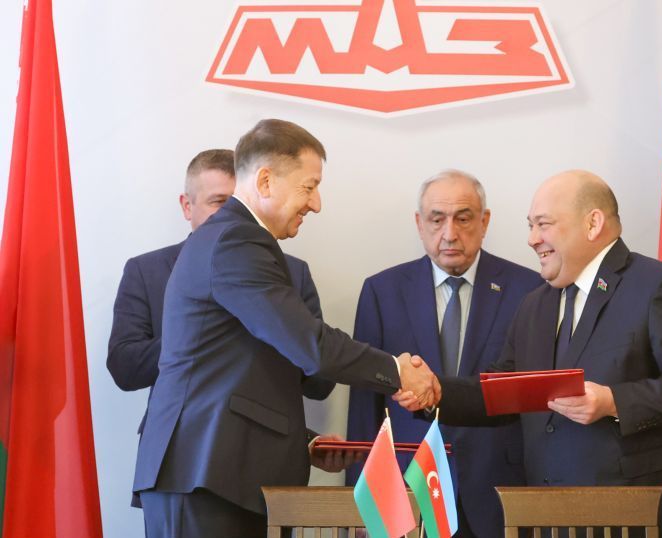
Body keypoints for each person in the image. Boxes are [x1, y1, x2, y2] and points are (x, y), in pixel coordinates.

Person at [132, 120, 439, 538]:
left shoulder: (237, 240)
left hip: (220, 475)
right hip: (204, 476)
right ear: (265, 181)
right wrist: (398, 372)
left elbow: (242, 370)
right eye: (309, 187)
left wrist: (303, 441)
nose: (316, 204)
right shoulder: (236, 241)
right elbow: (310, 344)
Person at [399, 170, 662, 538]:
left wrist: (613, 401)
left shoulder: (659, 285)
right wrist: (436, 392)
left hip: (653, 519)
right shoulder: (535, 305)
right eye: (530, 226)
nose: (532, 239)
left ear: (593, 223)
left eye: (543, 224)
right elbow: (503, 392)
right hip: (554, 519)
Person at [345, 170, 542, 537]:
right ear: (419, 224)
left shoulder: (529, 289)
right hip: (408, 489)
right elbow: (364, 407)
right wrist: (359, 508)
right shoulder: (382, 291)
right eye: (437, 219)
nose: (450, 233)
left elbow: (532, 396)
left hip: (499, 487)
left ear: (484, 222)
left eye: (463, 218)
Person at [107, 149, 331, 398]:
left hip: (269, 422)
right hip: (180, 422)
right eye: (219, 202)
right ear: (187, 207)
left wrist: (283, 331)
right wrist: (206, 330)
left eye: (240, 203)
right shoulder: (146, 271)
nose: (231, 213)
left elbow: (320, 385)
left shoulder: (295, 273)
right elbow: (124, 369)